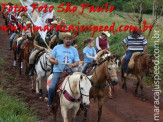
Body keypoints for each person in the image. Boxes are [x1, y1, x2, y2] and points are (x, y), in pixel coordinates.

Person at [47, 32, 80, 113]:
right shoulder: (57, 48)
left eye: (69, 39)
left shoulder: (74, 50)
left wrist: (72, 65)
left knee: (80, 87)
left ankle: (81, 105)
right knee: (52, 87)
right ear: (63, 39)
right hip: (58, 71)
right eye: (66, 39)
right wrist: (54, 62)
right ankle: (49, 103)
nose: (68, 40)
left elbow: (77, 62)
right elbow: (50, 58)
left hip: (70, 72)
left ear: (71, 40)